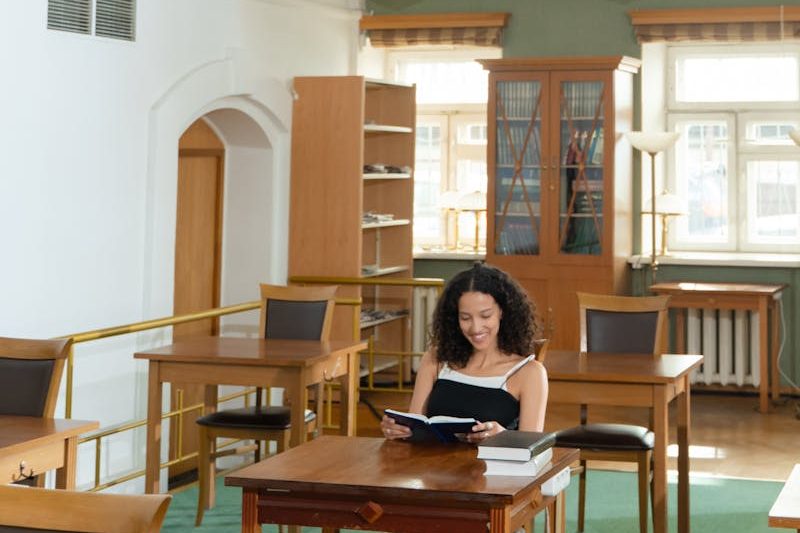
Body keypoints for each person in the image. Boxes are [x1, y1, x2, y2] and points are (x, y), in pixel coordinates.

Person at [381, 262, 548, 443]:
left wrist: (503, 435)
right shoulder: (435, 360)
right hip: (432, 468)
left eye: (485, 316)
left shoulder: (529, 372)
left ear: (503, 311)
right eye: (465, 318)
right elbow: (414, 429)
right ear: (454, 318)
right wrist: (397, 430)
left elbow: (532, 445)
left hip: (490, 469)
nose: (475, 328)